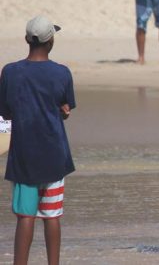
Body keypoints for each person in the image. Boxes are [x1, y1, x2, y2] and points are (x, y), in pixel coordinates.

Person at [0, 16, 76, 265]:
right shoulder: (62, 73)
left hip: (23, 156)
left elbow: (6, 113)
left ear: (26, 40)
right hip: (55, 155)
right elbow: (65, 109)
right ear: (51, 41)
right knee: (52, 216)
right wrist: (61, 113)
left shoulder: (10, 72)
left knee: (25, 216)